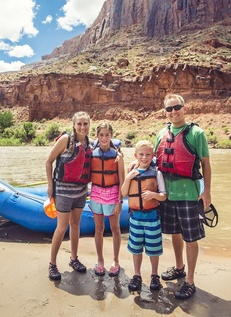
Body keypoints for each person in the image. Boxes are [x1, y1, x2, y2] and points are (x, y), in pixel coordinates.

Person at [155, 93, 212, 299]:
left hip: (189, 195)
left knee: (191, 237)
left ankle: (190, 281)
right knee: (175, 233)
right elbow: (154, 161)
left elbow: (205, 164)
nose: (173, 112)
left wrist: (207, 192)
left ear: (184, 108)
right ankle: (179, 268)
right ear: (165, 112)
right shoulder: (162, 133)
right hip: (168, 195)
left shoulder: (197, 133)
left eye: (176, 107)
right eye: (169, 109)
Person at [46, 111, 92, 280]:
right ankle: (52, 264)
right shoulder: (65, 140)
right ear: (74, 125)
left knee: (75, 224)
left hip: (81, 191)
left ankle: (74, 259)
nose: (82, 127)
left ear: (89, 125)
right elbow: (48, 161)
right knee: (62, 227)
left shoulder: (89, 143)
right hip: (63, 191)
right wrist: (51, 185)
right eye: (79, 124)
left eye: (85, 124)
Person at [121, 140, 167, 291]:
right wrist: (128, 178)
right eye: (141, 154)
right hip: (136, 218)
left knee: (153, 250)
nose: (144, 157)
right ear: (136, 155)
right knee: (136, 249)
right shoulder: (132, 173)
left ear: (153, 156)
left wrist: (154, 194)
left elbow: (163, 196)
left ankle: (154, 275)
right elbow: (124, 193)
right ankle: (137, 275)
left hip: (152, 217)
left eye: (148, 154)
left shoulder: (157, 173)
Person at [89, 122, 125, 277]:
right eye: (101, 135)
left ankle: (116, 261)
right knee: (98, 229)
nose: (104, 138)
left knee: (115, 229)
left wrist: (119, 201)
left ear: (111, 136)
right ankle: (100, 260)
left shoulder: (118, 156)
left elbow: (122, 180)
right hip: (96, 193)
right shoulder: (91, 154)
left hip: (112, 194)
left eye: (107, 135)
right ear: (97, 136)